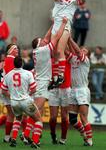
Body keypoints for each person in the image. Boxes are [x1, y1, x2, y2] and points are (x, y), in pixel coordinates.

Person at [21, 17, 68, 145]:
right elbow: (57, 37)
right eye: (42, 41)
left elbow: (47, 38)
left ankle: (26, 135)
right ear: (39, 44)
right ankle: (30, 138)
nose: (44, 41)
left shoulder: (38, 50)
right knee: (36, 112)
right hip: (42, 83)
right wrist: (63, 24)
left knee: (37, 111)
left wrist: (53, 24)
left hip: (40, 81)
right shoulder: (43, 50)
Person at [50, 0, 89, 88]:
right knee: (54, 53)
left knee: (60, 50)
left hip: (66, 25)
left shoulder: (73, 1)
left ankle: (61, 76)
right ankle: (56, 77)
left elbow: (82, 1)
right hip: (56, 26)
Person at [1, 56, 43, 148]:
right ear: (22, 64)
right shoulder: (27, 73)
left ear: (13, 64)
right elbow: (34, 89)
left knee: (18, 118)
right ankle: (35, 141)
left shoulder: (8, 75)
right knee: (38, 120)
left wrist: (12, 95)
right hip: (26, 101)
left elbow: (3, 91)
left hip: (14, 102)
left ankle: (13, 138)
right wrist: (27, 94)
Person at [67, 36, 93, 146]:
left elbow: (76, 50)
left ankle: (89, 141)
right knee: (72, 119)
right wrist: (63, 37)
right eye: (82, 49)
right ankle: (84, 133)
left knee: (83, 117)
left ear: (87, 54)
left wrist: (69, 38)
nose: (82, 50)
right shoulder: (73, 59)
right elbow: (67, 50)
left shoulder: (86, 61)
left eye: (84, 50)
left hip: (82, 90)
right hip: (73, 90)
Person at [48, 58, 71, 145]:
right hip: (54, 90)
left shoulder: (67, 57)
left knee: (64, 117)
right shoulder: (50, 59)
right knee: (53, 117)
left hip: (65, 90)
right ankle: (53, 135)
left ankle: (63, 138)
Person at [0, 44, 19, 142]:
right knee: (16, 114)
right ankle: (26, 134)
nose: (17, 50)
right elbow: (10, 77)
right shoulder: (11, 60)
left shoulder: (8, 59)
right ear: (10, 50)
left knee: (11, 114)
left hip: (4, 88)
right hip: (7, 89)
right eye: (15, 48)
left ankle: (7, 137)